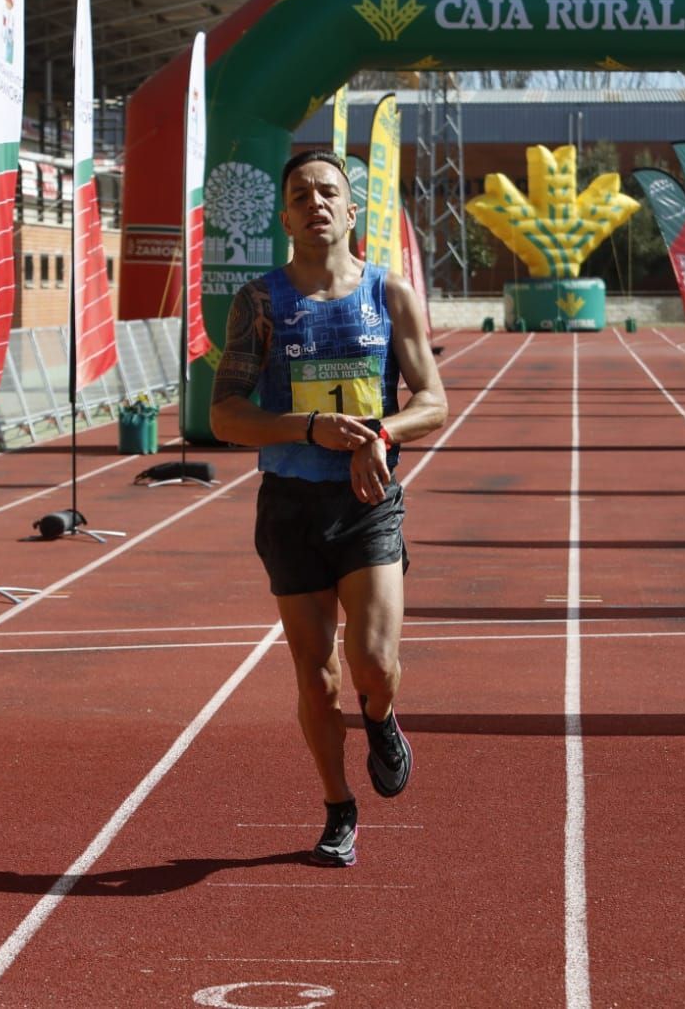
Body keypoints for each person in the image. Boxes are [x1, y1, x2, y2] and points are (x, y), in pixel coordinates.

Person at [210, 148, 447, 868]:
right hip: (289, 505)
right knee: (316, 676)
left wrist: (380, 434)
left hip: (366, 500)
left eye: (329, 193)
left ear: (352, 212)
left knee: (372, 662)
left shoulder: (389, 295)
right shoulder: (258, 303)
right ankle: (338, 806)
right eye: (301, 194)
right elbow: (224, 415)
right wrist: (305, 428)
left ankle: (381, 717)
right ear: (284, 215)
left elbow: (432, 402)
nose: (315, 203)